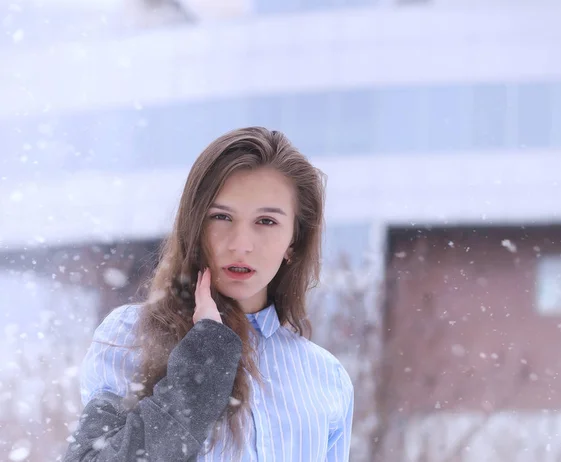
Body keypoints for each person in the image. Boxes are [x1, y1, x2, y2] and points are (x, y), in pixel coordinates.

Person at [63, 127, 354, 462]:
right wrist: (205, 358)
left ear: (294, 241)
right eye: (221, 217)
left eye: (266, 221)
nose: (240, 244)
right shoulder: (129, 336)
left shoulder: (324, 376)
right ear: (195, 225)